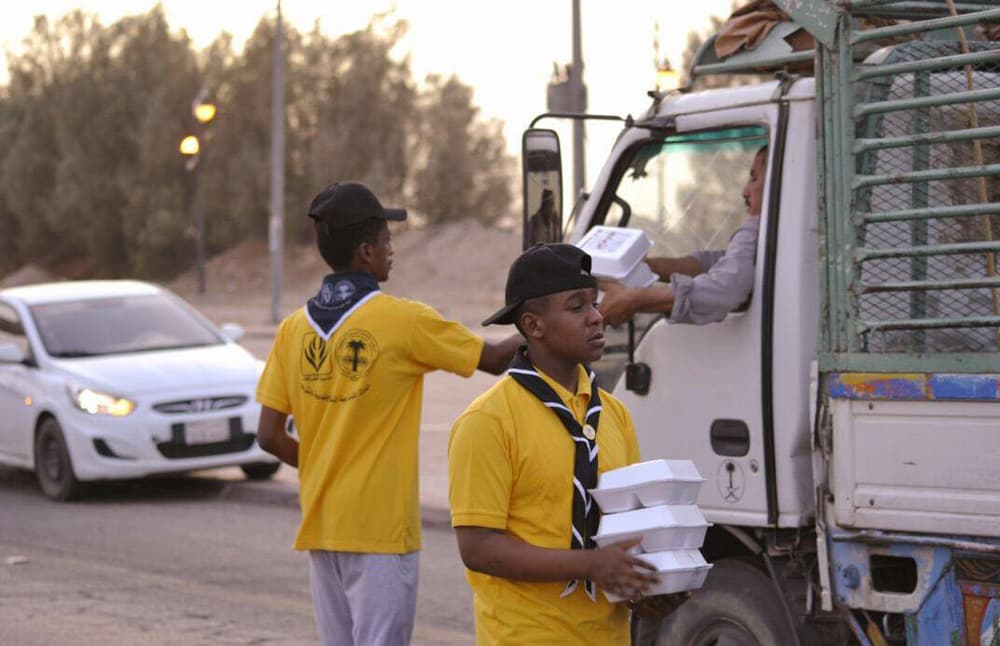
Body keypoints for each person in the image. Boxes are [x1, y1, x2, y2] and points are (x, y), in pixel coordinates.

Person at [254, 181, 521, 646]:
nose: (392, 251)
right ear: (365, 251)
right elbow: (495, 360)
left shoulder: (292, 330)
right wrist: (548, 315)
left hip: (322, 528)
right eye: (386, 241)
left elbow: (269, 436)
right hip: (380, 532)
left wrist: (323, 466)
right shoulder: (404, 320)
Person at [448, 243, 659, 645]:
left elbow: (625, 529)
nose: (597, 317)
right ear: (533, 326)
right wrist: (590, 564)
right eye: (577, 307)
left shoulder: (614, 415)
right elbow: (478, 547)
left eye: (594, 304)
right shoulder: (487, 421)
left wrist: (648, 590)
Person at [599, 146, 768, 326]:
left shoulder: (756, 229)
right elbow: (713, 264)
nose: (745, 191)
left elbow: (726, 287)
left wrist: (636, 299)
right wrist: (637, 268)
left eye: (754, 178)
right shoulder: (768, 239)